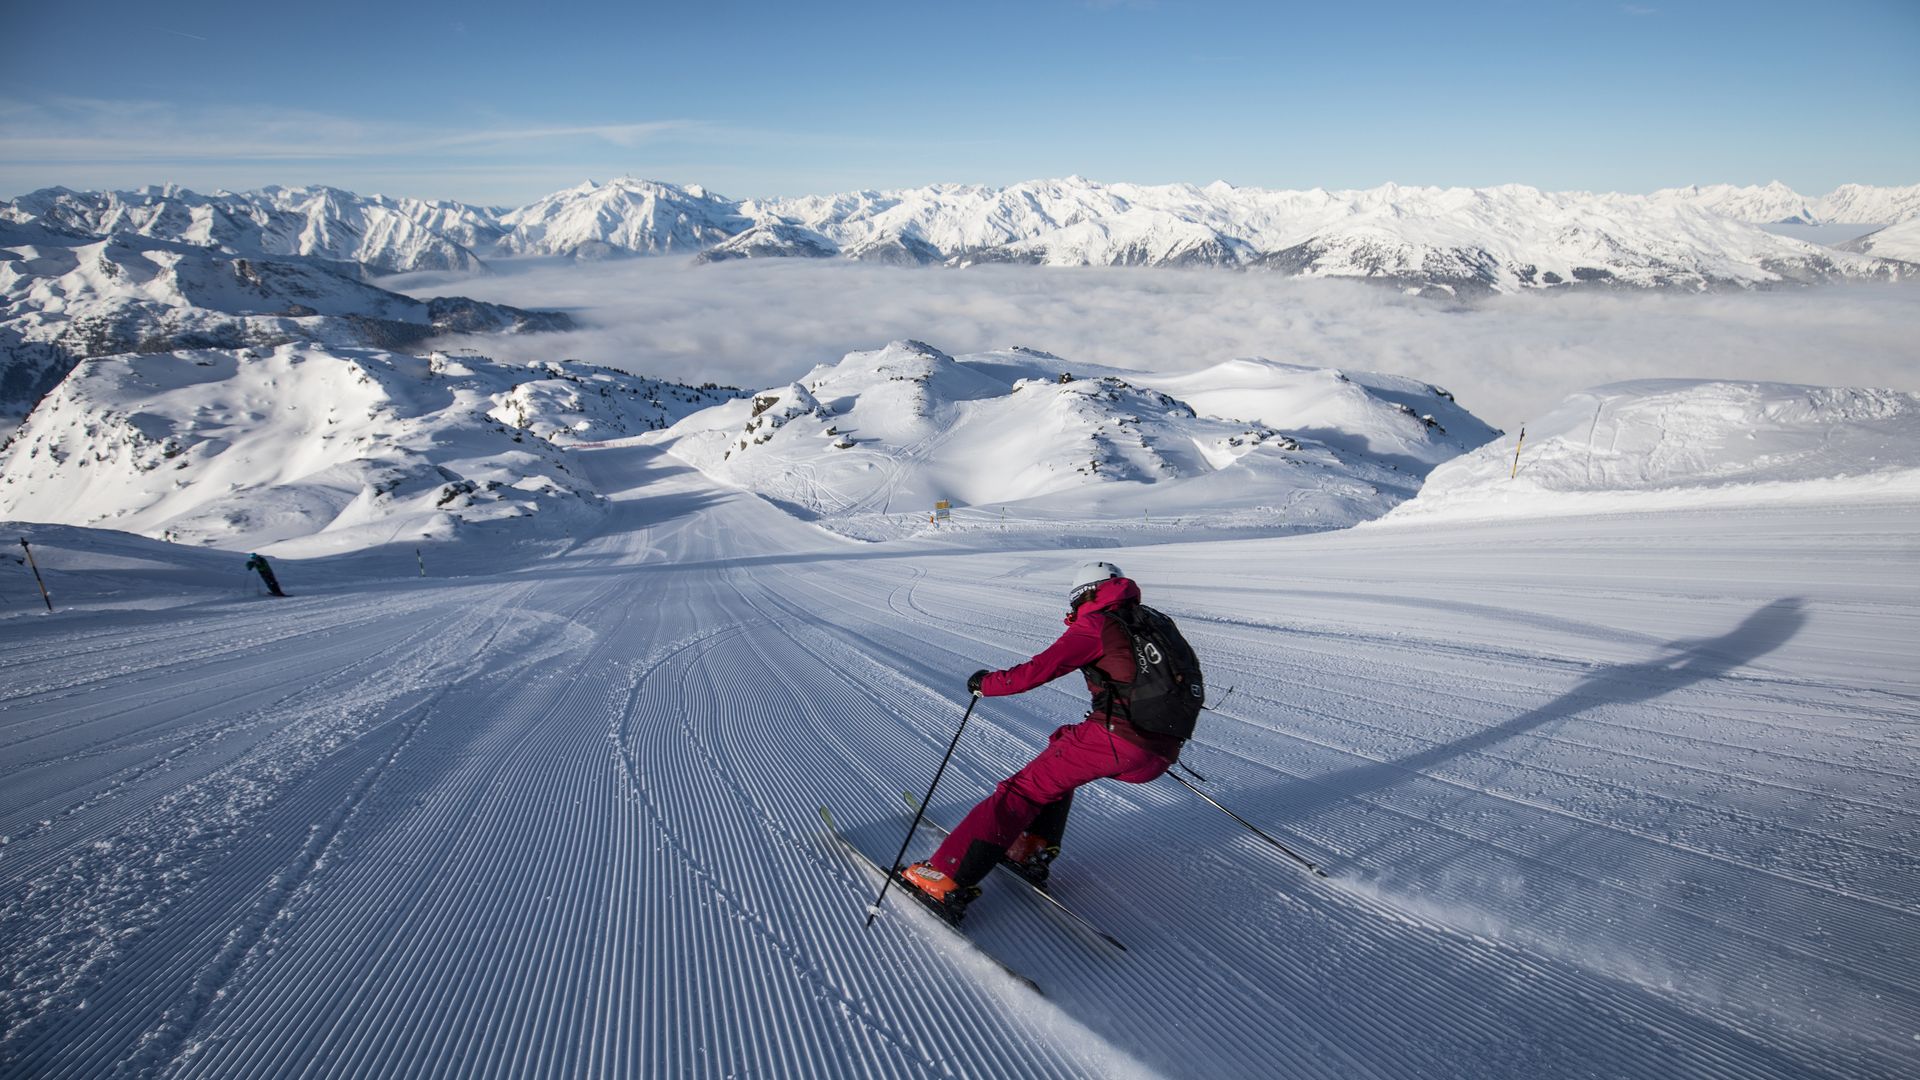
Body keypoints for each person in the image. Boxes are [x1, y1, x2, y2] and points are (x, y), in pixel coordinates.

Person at [898, 560, 1183, 913]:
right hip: (1163, 748)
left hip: (1117, 739)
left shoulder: (1097, 624)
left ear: (1085, 595)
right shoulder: (1155, 622)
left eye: (1075, 605)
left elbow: (1038, 670)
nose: (1073, 612)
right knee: (1062, 747)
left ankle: (943, 879)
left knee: (1019, 792)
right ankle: (1031, 847)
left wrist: (985, 684)